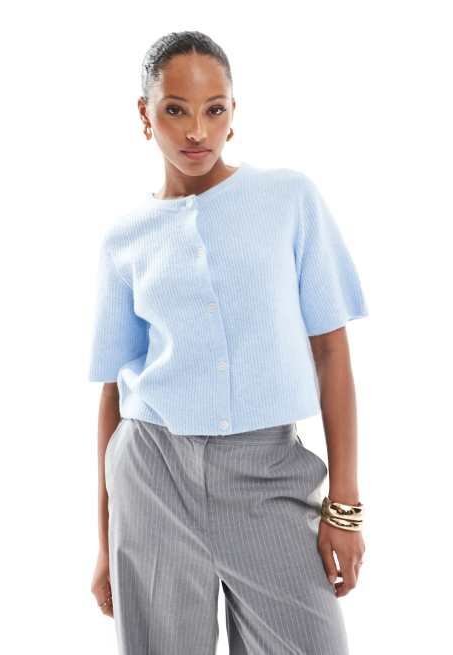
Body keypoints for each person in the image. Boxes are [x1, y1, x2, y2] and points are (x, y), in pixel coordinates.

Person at [88, 30, 368, 655]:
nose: (197, 131)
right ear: (145, 114)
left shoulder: (288, 199)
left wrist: (345, 509)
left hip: (270, 477)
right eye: (176, 109)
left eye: (214, 109)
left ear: (233, 112)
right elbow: (112, 395)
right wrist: (105, 542)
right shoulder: (124, 239)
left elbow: (331, 352)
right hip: (152, 476)